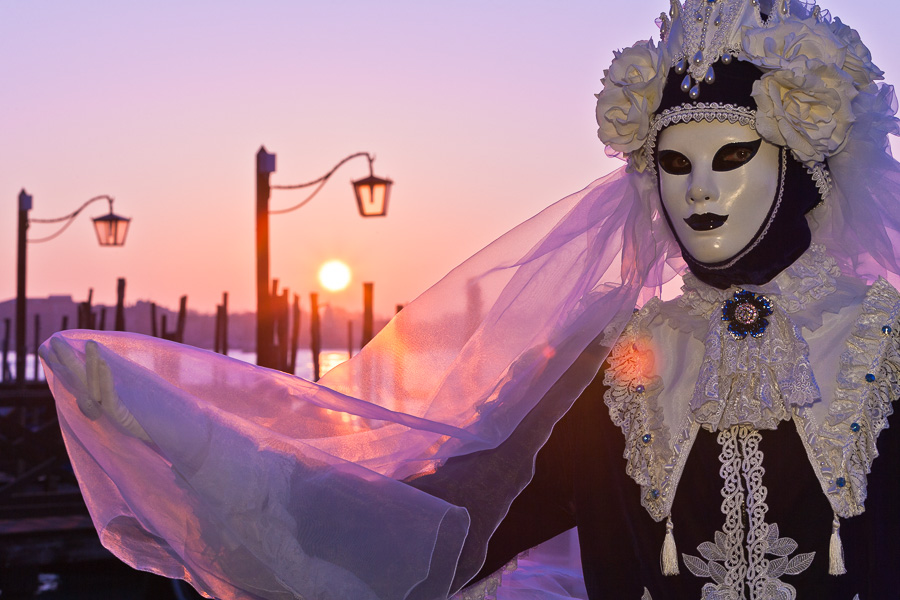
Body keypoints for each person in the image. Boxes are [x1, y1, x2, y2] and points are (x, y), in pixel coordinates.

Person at [40, 0, 900, 598]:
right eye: (675, 163)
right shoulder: (622, 364)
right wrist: (199, 447)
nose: (698, 192)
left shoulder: (885, 344)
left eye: (732, 157)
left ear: (804, 165)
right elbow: (443, 524)